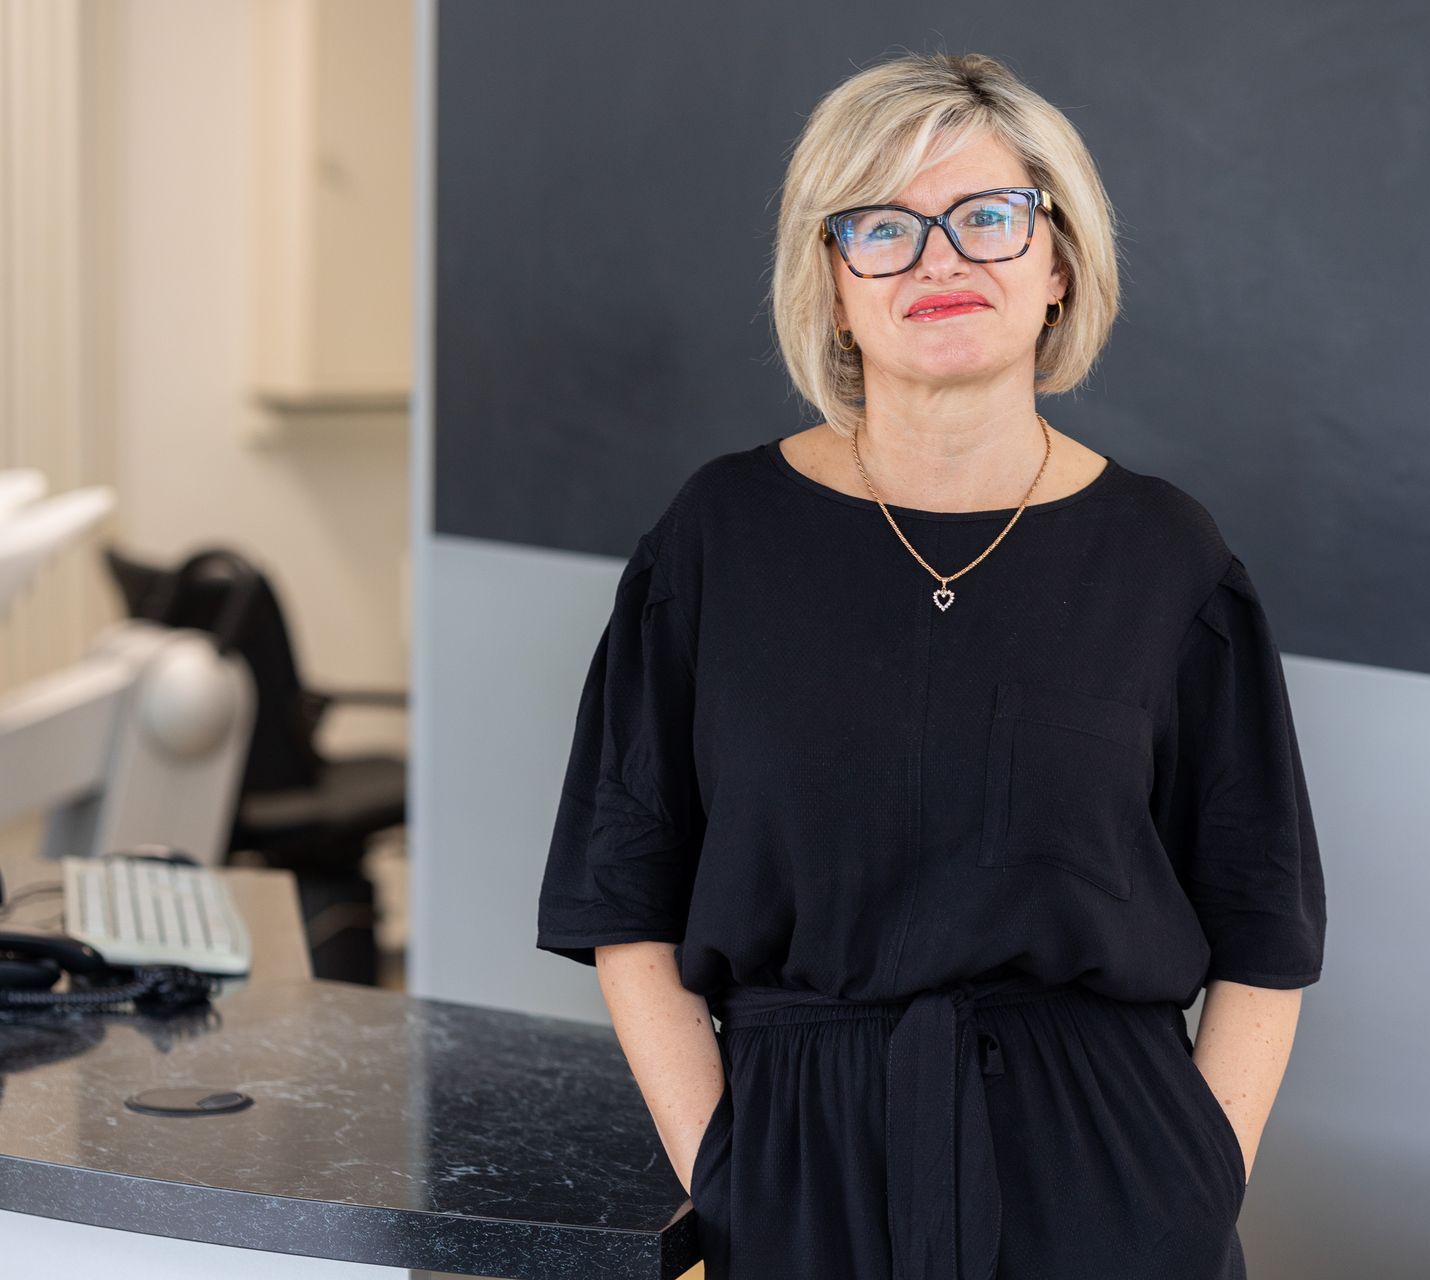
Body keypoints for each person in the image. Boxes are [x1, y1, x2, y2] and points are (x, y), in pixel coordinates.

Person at [535, 49, 1326, 1280]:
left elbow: (1263, 922)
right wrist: (726, 1165)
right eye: (883, 229)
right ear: (834, 283)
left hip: (1109, 1176)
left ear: (1058, 262)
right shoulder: (718, 536)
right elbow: (622, 896)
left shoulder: (1169, 554)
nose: (940, 260)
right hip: (802, 1168)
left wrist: (1193, 1175)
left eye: (988, 218)